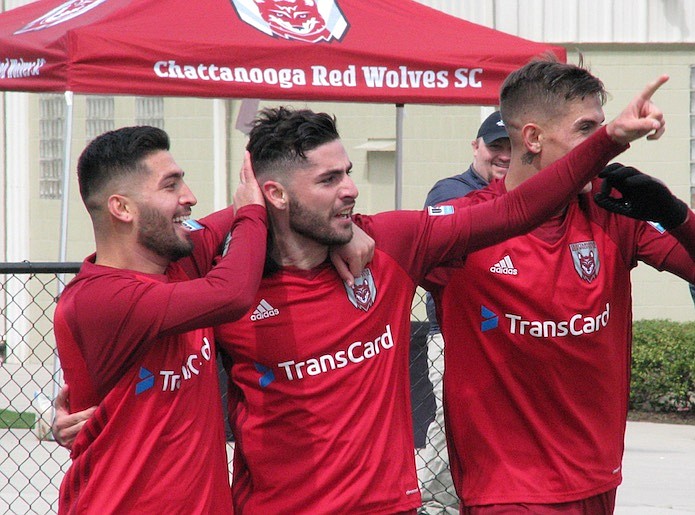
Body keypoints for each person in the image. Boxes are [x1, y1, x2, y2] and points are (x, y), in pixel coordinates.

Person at [55, 82, 665, 513]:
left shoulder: (394, 242)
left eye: (347, 172)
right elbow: (129, 295)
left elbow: (518, 207)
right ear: (276, 195)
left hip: (389, 506)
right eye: (328, 180)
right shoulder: (214, 269)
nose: (350, 189)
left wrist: (609, 138)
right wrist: (73, 405)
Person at [427, 57, 695, 514]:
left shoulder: (615, 214)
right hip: (507, 491)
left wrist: (675, 214)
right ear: (532, 138)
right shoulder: (463, 228)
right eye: (586, 129)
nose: (604, 145)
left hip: (598, 478)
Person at [52, 125, 269, 512]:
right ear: (122, 208)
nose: (190, 197)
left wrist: (352, 233)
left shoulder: (180, 258)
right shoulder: (99, 298)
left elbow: (239, 217)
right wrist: (252, 212)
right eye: (171, 186)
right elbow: (232, 292)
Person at [418, 110, 510, 514]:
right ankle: (428, 503)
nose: (503, 156)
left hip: (506, 334)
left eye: (512, 148)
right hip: (454, 334)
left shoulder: (522, 195)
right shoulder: (450, 192)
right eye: (495, 147)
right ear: (476, 147)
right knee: (453, 423)